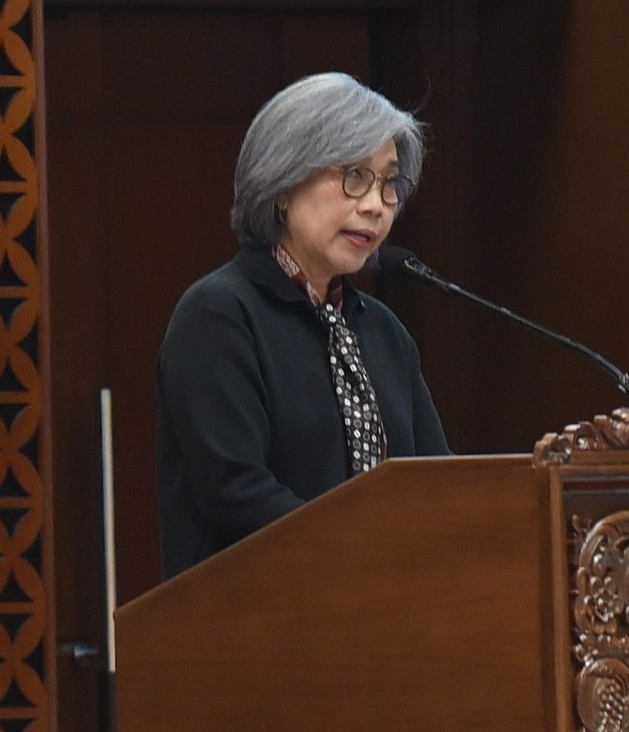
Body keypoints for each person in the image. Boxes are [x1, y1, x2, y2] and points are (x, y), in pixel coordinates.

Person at [156, 72, 450, 578]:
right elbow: (236, 492)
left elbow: (438, 482)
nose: (375, 205)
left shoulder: (382, 332)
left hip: (386, 609)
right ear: (283, 185)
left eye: (389, 184)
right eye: (354, 175)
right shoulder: (219, 316)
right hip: (254, 611)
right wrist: (369, 556)